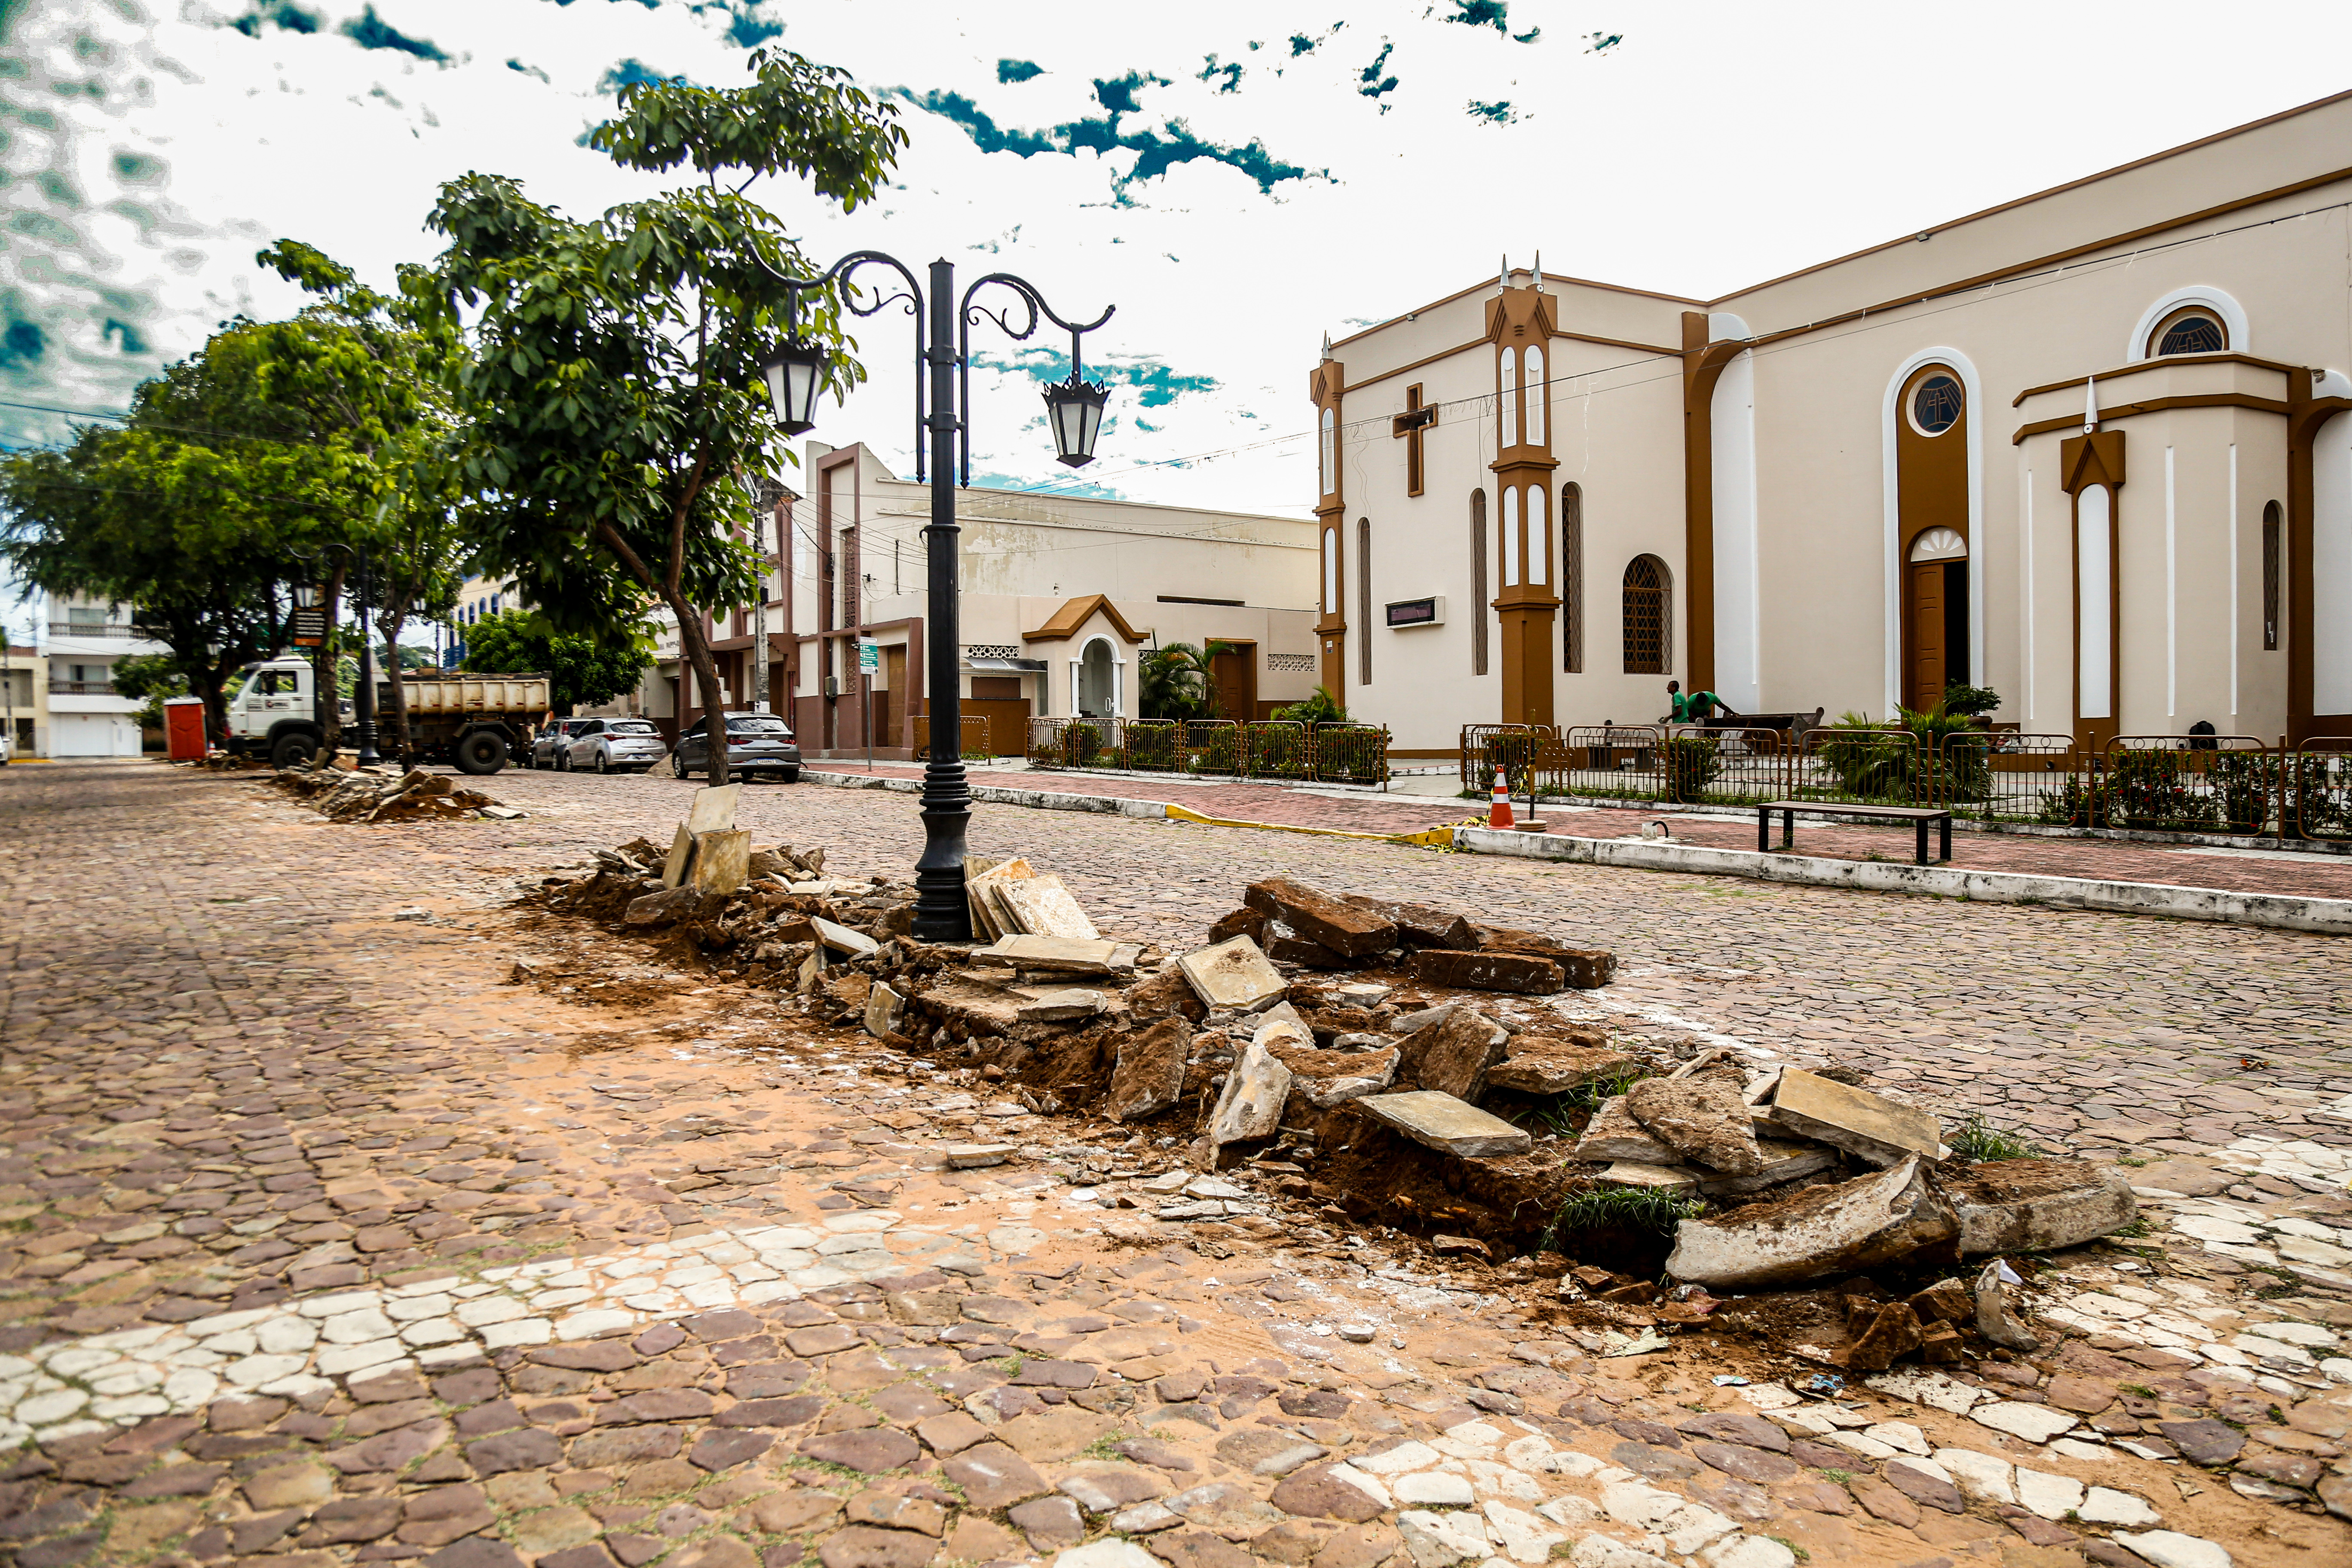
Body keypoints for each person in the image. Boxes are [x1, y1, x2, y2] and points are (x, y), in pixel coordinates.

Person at [1663, 680, 1739, 724]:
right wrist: (1696, 720)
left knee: (1706, 723)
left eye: (1669, 686)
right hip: (1693, 713)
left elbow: (1722, 706)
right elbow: (1688, 711)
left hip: (1704, 713)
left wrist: (1733, 713)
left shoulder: (1712, 697)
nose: (1667, 688)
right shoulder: (1692, 699)